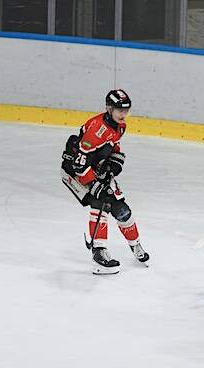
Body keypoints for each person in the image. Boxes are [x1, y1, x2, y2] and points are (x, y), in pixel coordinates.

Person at [60, 89, 149, 274]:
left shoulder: (120, 125)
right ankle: (98, 252)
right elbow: (79, 163)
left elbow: (113, 146)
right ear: (109, 109)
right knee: (99, 202)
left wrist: (114, 163)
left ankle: (135, 244)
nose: (124, 114)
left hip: (95, 169)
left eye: (126, 110)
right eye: (120, 110)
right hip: (75, 172)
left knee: (122, 210)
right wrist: (93, 184)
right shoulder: (96, 129)